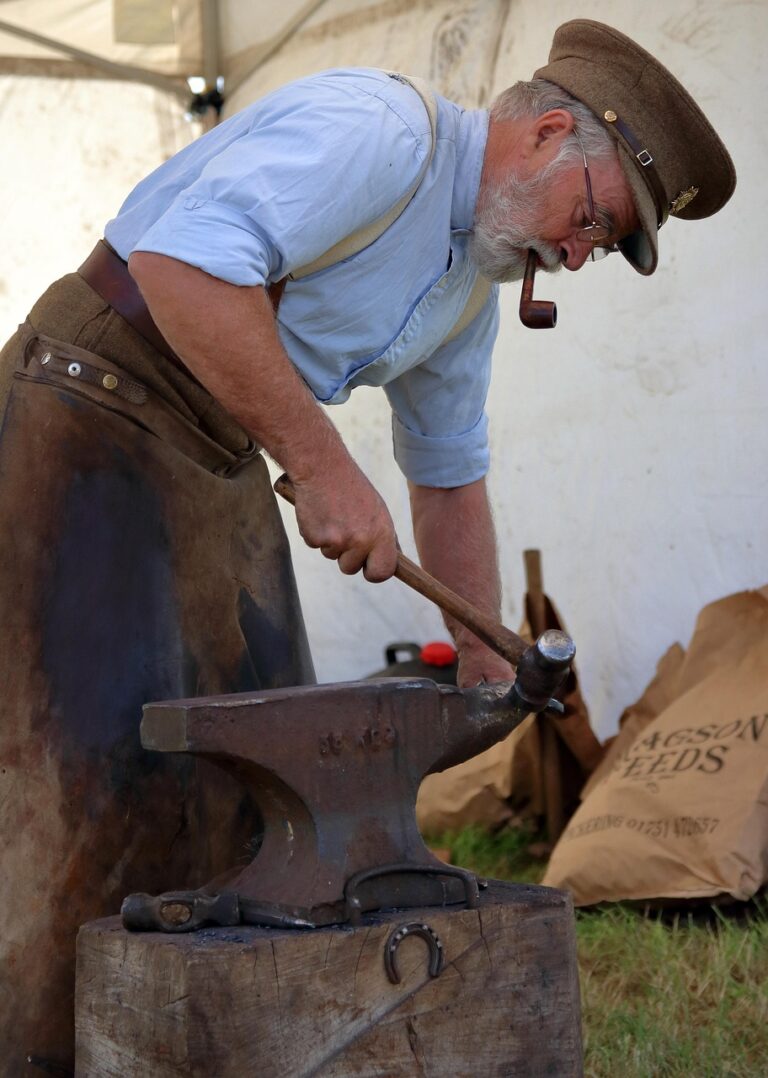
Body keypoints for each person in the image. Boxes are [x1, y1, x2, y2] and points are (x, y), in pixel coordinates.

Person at [0, 18, 734, 1071]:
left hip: (219, 452)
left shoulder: (467, 289)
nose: (576, 257)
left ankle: (192, 1040)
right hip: (83, 408)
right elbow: (178, 266)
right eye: (591, 220)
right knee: (78, 790)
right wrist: (326, 463)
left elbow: (448, 475)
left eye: (598, 249)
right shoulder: (379, 134)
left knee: (253, 786)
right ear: (548, 134)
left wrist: (484, 661)